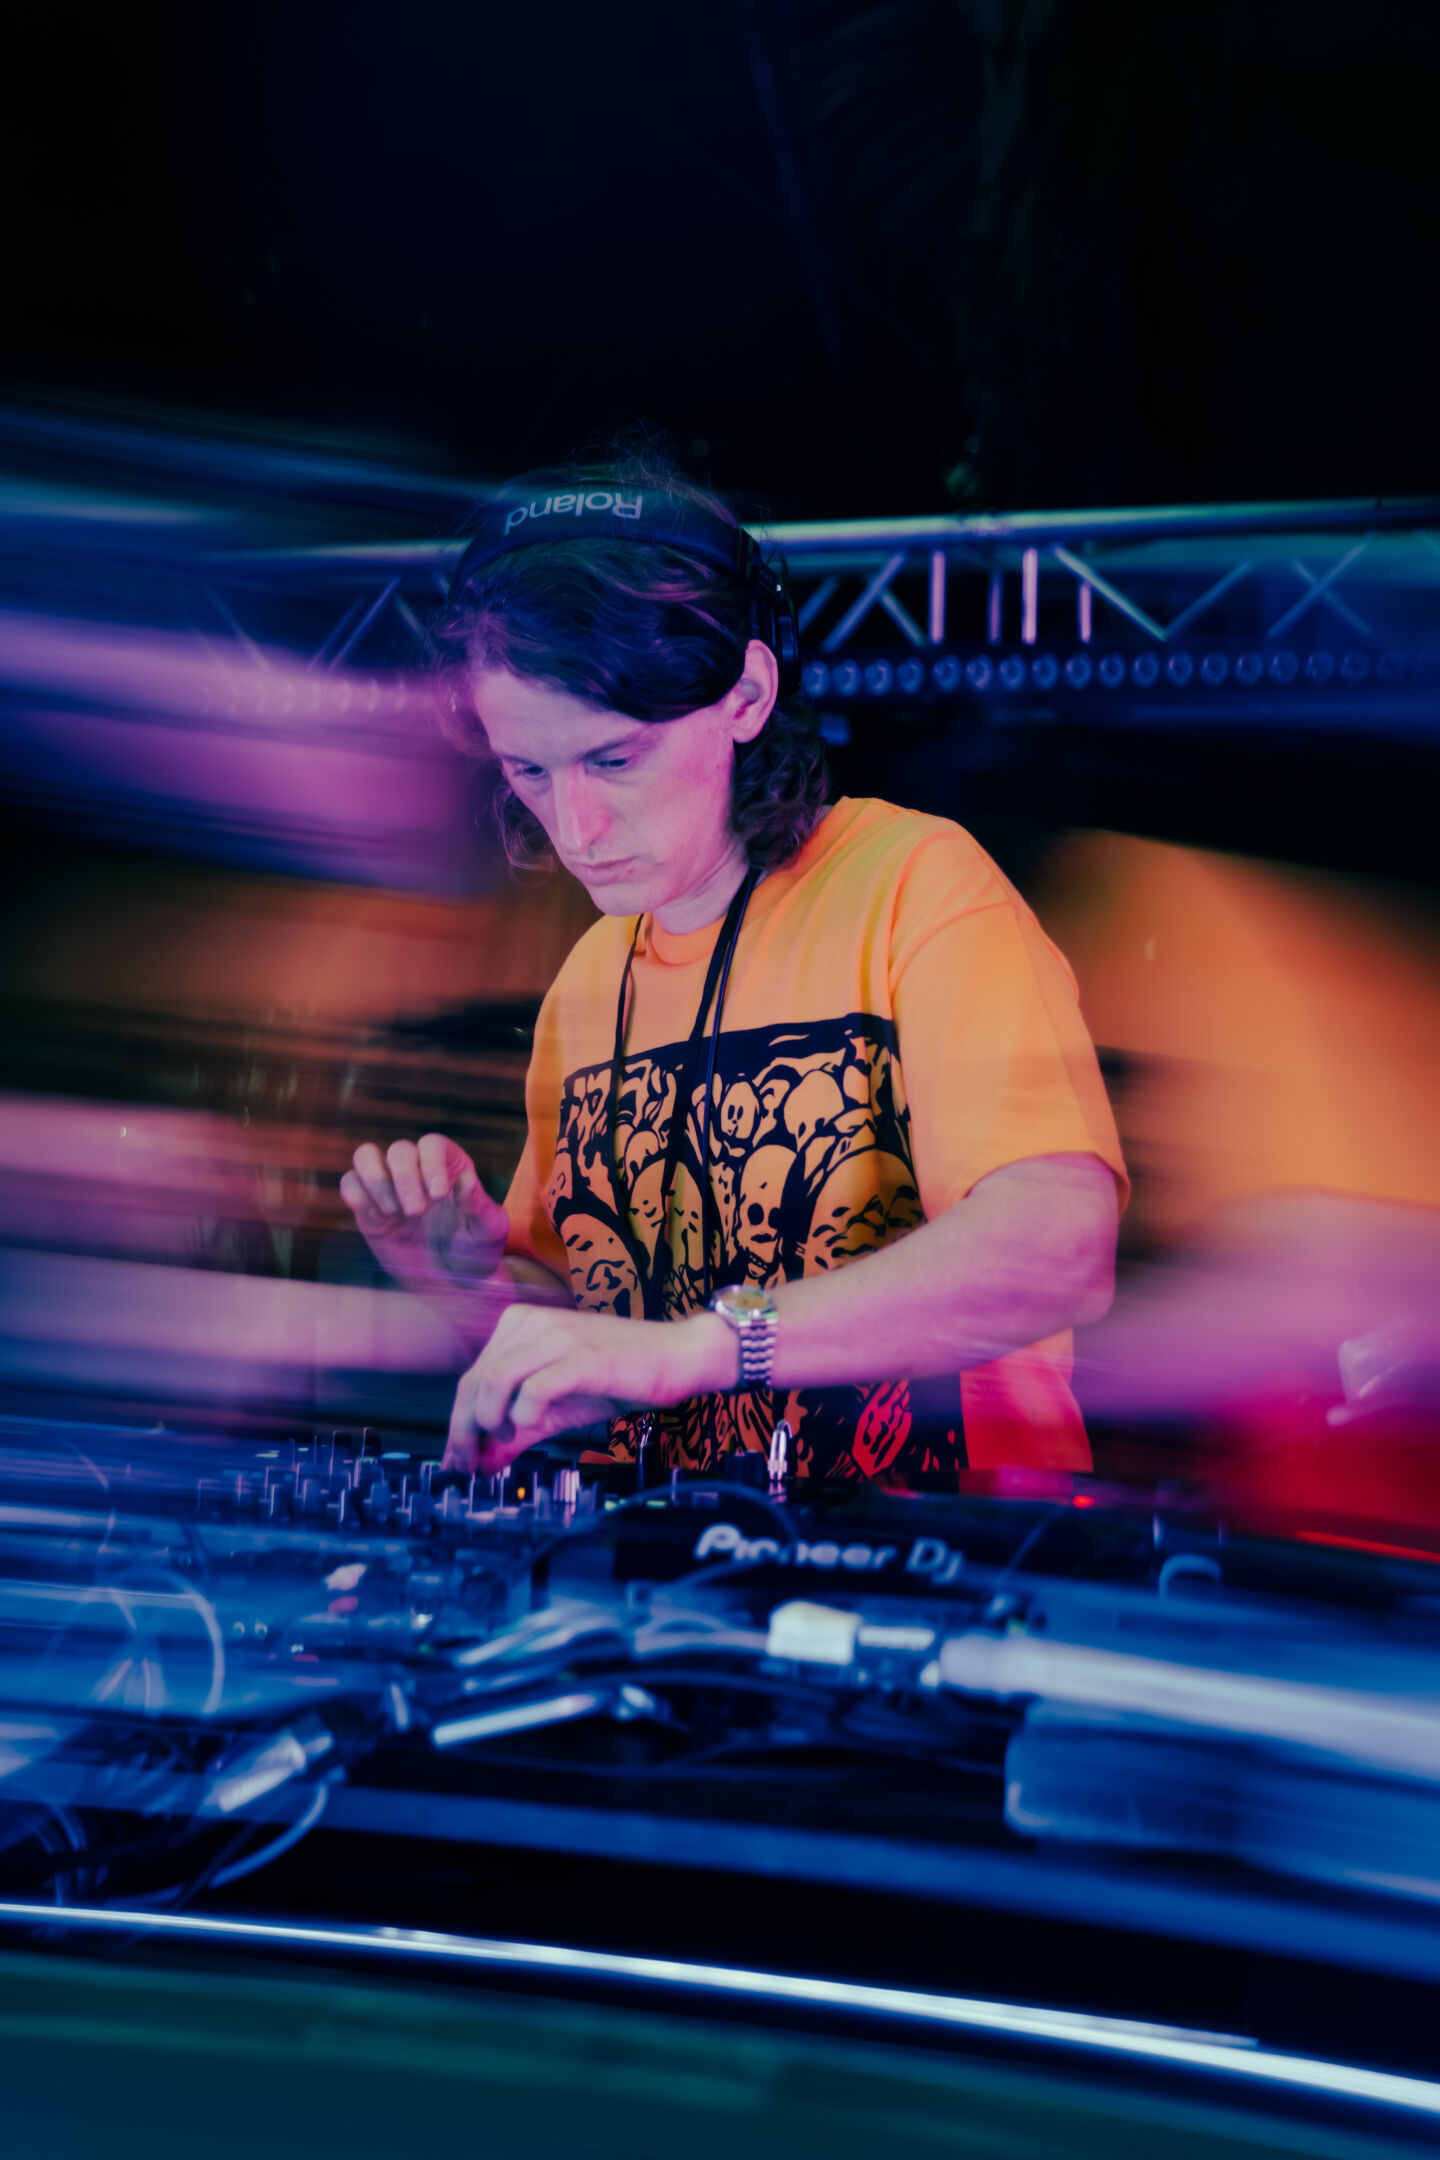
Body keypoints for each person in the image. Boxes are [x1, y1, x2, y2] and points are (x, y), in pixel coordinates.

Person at [340, 452, 1126, 1483]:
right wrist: (464, 1284)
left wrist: (709, 1347)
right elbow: (600, 1356)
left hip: (950, 1555)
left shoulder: (916, 885)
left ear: (747, 694)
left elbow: (1058, 1249)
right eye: (528, 770)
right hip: (672, 1569)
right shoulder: (589, 980)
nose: (573, 827)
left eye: (615, 759)